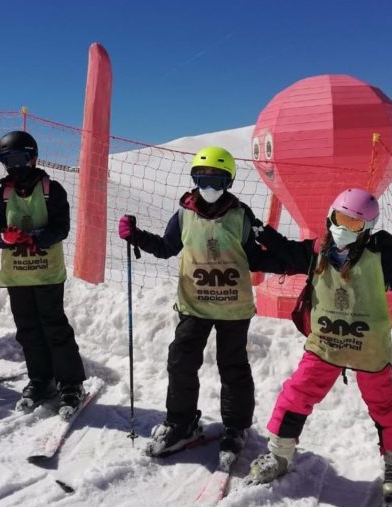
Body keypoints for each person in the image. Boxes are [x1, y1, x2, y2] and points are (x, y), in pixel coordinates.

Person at [244, 188, 392, 498]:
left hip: (368, 348)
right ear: (331, 216)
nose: (344, 228)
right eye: (341, 219)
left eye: (355, 224)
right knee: (296, 394)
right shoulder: (317, 251)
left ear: (368, 229)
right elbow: (287, 252)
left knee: (384, 405)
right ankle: (279, 454)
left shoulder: (382, 255)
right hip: (325, 344)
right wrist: (260, 234)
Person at [118, 146, 286, 458]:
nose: (210, 187)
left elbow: (255, 256)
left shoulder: (240, 215)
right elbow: (167, 248)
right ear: (194, 180)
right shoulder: (184, 214)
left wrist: (293, 261)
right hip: (194, 304)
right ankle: (181, 423)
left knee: (233, 365)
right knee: (181, 360)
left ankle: (236, 427)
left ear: (229, 182)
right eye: (203, 179)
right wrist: (136, 236)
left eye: (218, 181)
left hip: (233, 307)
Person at [0, 131, 86, 416]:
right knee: (28, 330)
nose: (16, 166)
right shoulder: (3, 193)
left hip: (46, 273)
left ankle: (70, 383)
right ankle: (40, 379)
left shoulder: (51, 189)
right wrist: (5, 238)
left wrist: (35, 238)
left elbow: (61, 227)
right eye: (9, 160)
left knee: (54, 327)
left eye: (22, 159)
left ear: (33, 158)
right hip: (17, 275)